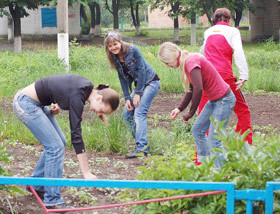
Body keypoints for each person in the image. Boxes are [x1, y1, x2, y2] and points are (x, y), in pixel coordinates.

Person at [13, 74, 120, 209]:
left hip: (38, 104)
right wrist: (86, 172)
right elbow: (76, 135)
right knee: (55, 146)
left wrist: (55, 105)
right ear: (99, 98)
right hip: (25, 103)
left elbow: (59, 88)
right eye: (102, 110)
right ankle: (52, 200)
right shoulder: (79, 95)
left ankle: (36, 184)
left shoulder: (85, 88)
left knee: (60, 143)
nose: (99, 113)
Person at [158, 42, 236, 168]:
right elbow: (192, 88)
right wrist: (180, 108)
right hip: (215, 100)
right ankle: (205, 167)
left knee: (214, 139)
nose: (167, 66)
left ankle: (221, 175)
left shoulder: (190, 62)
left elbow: (198, 89)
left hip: (224, 100)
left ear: (172, 57)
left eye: (167, 63)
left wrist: (190, 113)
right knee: (198, 130)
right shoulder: (187, 62)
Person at [199, 8, 253, 145]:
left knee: (204, 113)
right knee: (242, 111)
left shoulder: (208, 32)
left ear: (214, 19)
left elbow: (202, 53)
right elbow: (239, 52)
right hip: (225, 78)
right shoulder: (233, 31)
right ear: (229, 19)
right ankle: (244, 145)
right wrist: (243, 75)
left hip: (207, 77)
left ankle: (202, 155)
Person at [104, 31, 160, 158]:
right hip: (139, 84)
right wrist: (127, 98)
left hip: (151, 82)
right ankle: (143, 145)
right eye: (110, 46)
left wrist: (138, 93)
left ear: (120, 41)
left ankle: (141, 149)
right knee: (126, 115)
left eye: (115, 44)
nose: (113, 47)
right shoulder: (115, 57)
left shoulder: (133, 50)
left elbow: (141, 71)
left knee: (139, 112)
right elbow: (122, 79)